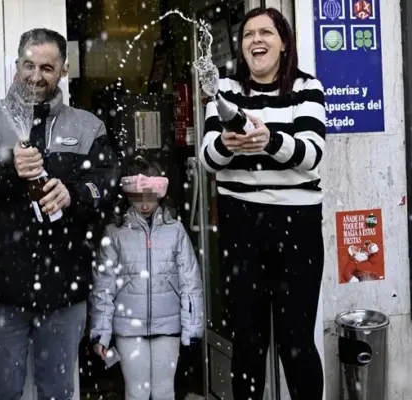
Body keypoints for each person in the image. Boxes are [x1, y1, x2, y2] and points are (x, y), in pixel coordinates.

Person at [0, 28, 119, 399]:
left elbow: (107, 188)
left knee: (58, 391)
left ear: (63, 70)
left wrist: (75, 195)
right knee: (3, 392)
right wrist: (7, 166)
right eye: (29, 65)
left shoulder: (87, 126)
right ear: (16, 65)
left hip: (64, 292)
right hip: (0, 292)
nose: (35, 76)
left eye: (47, 67)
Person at [198, 7, 326, 400]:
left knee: (296, 341)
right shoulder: (225, 91)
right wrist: (227, 144)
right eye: (249, 34)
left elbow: (312, 154)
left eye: (266, 32)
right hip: (240, 226)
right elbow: (208, 159)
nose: (256, 40)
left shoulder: (307, 88)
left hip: (297, 226)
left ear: (283, 42)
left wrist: (270, 140)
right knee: (248, 342)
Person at [89, 156, 203, 400]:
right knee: (137, 392)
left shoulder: (175, 231)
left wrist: (192, 328)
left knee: (164, 392)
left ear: (160, 193)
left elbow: (190, 282)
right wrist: (101, 332)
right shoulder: (115, 232)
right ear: (128, 194)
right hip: (129, 327)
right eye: (138, 196)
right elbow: (104, 287)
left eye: (150, 195)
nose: (144, 203)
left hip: (168, 326)